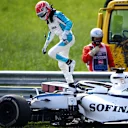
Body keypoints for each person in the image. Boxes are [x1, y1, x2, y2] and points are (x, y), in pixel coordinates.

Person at [35, 1, 76, 92]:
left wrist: (65, 33)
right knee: (61, 64)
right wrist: (45, 46)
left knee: (51, 53)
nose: (42, 17)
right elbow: (51, 33)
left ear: (47, 10)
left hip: (68, 38)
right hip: (63, 39)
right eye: (40, 15)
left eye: (42, 14)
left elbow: (69, 22)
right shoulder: (49, 21)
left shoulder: (57, 15)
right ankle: (71, 83)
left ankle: (70, 62)